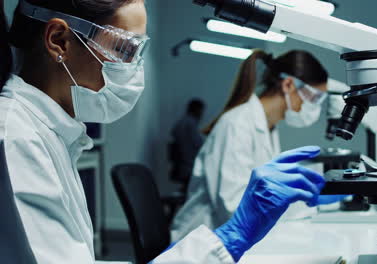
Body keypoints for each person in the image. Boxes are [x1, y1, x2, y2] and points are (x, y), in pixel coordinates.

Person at [0, 1, 339, 263]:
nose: (134, 72)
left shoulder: (51, 134)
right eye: (123, 49)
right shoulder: (17, 139)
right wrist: (233, 235)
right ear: (59, 40)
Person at [171, 50, 346, 241]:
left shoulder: (268, 127)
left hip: (233, 240)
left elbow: (262, 194)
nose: (315, 107)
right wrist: (303, 202)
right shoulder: (236, 124)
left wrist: (302, 199)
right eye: (314, 98)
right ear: (288, 84)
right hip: (203, 245)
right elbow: (233, 207)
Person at [169, 98, 205, 193]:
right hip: (189, 165)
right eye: (201, 110)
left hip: (182, 165)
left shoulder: (181, 122)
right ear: (197, 109)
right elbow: (200, 145)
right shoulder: (190, 124)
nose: (202, 114)